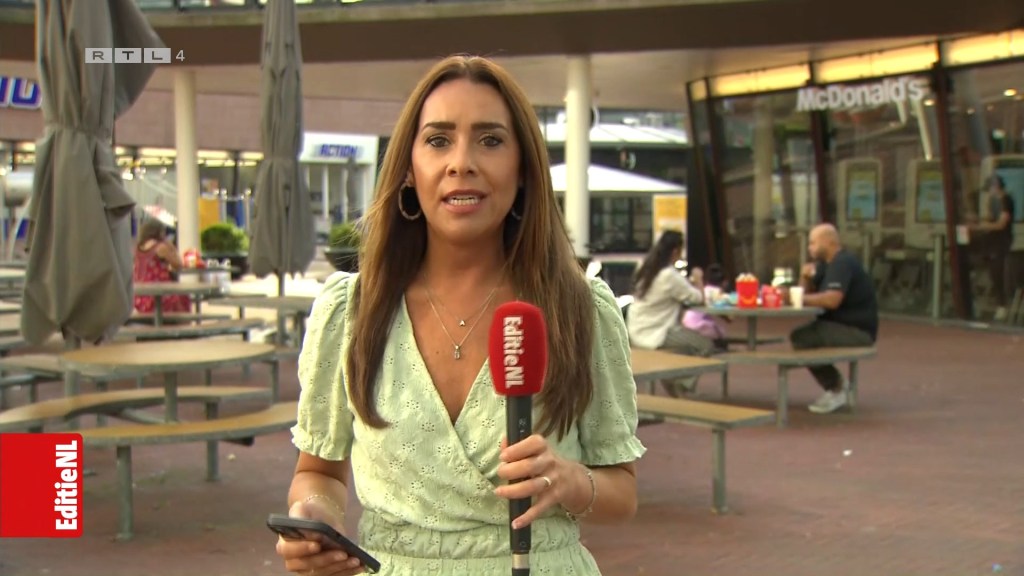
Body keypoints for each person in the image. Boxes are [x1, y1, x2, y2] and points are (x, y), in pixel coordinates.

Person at [276, 55, 645, 576]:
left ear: (523, 169)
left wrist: (570, 481)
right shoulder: (350, 313)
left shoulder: (580, 309)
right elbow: (319, 473)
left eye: (490, 140)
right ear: (408, 169)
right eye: (438, 140)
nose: (461, 162)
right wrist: (315, 516)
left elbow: (622, 493)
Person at [786, 223, 878, 415]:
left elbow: (832, 300)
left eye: (813, 243)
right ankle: (837, 385)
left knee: (804, 338)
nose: (809, 247)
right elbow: (804, 294)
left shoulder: (842, 263)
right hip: (837, 325)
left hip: (857, 331)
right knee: (802, 336)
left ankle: (837, 388)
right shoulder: (824, 265)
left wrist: (795, 297)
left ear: (829, 242)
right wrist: (805, 278)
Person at [626, 230, 713, 396]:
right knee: (705, 346)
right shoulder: (669, 275)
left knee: (686, 349)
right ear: (675, 251)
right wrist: (699, 279)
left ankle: (673, 380)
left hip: (636, 328)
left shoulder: (645, 268)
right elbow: (698, 298)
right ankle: (680, 383)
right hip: (656, 332)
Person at [970, 175, 1015, 321]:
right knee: (988, 271)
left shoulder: (1006, 200)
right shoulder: (994, 200)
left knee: (997, 273)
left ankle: (1002, 305)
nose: (989, 193)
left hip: (1000, 242)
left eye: (990, 189)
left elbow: (1001, 224)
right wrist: (979, 221)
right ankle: (994, 302)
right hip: (991, 242)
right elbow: (991, 218)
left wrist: (982, 226)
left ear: (996, 187)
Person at [132, 219, 190, 314]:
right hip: (158, 295)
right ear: (159, 232)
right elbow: (178, 265)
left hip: (139, 297)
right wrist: (171, 247)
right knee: (183, 296)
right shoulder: (160, 247)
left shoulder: (138, 248)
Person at [682, 263, 729, 352]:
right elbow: (727, 317)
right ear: (724, 282)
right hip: (699, 327)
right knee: (720, 332)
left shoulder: (703, 291)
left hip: (686, 324)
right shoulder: (719, 294)